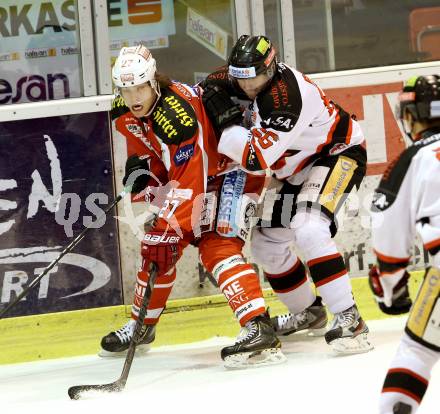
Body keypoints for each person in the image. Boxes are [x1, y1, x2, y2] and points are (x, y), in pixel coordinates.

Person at [100, 44, 286, 368]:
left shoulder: (176, 115)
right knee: (157, 246)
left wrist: (170, 228)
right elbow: (147, 150)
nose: (133, 97)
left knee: (217, 247)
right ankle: (142, 326)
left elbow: (191, 180)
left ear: (153, 80)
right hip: (197, 178)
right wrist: (142, 170)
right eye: (126, 89)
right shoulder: (126, 110)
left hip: (235, 173)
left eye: (140, 87)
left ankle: (258, 327)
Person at [200, 35, 373, 354]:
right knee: (266, 244)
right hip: (296, 169)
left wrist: (225, 123)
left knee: (309, 226)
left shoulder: (287, 98)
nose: (246, 85)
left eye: (254, 77)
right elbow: (205, 91)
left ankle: (350, 319)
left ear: (271, 69)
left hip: (337, 155)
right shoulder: (235, 76)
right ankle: (309, 312)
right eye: (240, 77)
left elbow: (255, 158)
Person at [369, 74, 440, 414]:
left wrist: (390, 289)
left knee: (416, 353)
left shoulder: (411, 158)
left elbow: (388, 236)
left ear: (411, 115)